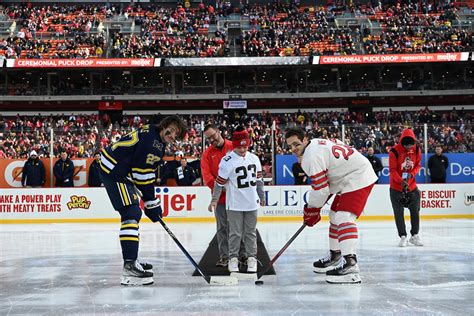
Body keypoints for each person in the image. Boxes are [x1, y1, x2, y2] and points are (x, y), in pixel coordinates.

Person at [99, 115, 187, 286]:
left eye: (177, 135)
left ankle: (132, 261)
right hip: (114, 171)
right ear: (166, 125)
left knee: (133, 212)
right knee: (131, 213)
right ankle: (130, 266)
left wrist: (150, 202)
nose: (173, 136)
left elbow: (143, 172)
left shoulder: (153, 134)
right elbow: (142, 175)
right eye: (173, 131)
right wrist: (151, 202)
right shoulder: (153, 144)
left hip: (119, 168)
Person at [285, 128, 377, 284]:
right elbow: (325, 186)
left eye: (296, 144)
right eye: (290, 146)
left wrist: (311, 209)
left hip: (358, 175)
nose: (294, 149)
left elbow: (321, 189)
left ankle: (351, 265)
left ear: (305, 139)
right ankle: (336, 255)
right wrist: (313, 209)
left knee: (343, 216)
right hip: (348, 177)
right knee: (334, 215)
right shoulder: (316, 143)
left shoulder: (310, 157)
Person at [208, 127, 265, 273]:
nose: (243, 149)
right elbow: (219, 183)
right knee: (235, 232)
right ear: (234, 145)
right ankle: (233, 258)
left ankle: (251, 258)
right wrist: (214, 200)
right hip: (234, 204)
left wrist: (261, 196)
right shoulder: (227, 160)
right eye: (239, 146)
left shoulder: (254, 158)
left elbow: (259, 181)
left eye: (245, 146)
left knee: (250, 232)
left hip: (251, 203)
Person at [201, 124, 234, 267]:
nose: (211, 139)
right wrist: (221, 188)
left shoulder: (233, 147)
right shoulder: (207, 154)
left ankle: (243, 255)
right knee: (222, 228)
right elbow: (207, 177)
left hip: (237, 197)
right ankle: (225, 257)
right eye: (208, 138)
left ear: (219, 131)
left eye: (213, 135)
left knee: (239, 227)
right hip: (220, 198)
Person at [389, 128, 423, 247]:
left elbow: (418, 165)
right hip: (396, 187)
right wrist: (401, 181)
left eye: (410, 145)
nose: (409, 147)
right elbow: (392, 170)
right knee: (398, 212)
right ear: (402, 142)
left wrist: (412, 174)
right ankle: (403, 236)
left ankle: (414, 235)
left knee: (415, 211)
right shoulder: (394, 151)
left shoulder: (417, 149)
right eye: (406, 145)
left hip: (412, 186)